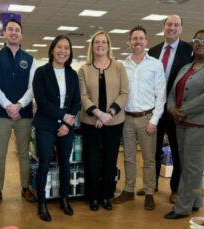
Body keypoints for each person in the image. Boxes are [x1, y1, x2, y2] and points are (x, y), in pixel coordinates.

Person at [164, 29, 204, 219]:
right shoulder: (186, 67)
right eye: (197, 40)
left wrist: (183, 110)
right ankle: (196, 201)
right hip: (182, 123)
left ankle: (182, 208)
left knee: (191, 167)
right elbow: (172, 93)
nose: (200, 43)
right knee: (191, 165)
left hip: (201, 124)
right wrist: (172, 108)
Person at [136, 15, 193, 204]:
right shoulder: (153, 50)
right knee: (151, 150)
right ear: (163, 27)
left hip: (177, 110)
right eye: (169, 24)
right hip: (155, 109)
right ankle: (151, 186)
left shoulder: (189, 50)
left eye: (177, 25)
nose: (172, 28)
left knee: (177, 151)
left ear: (181, 29)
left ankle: (175, 189)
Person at [113, 26, 166, 211]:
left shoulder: (155, 64)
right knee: (128, 157)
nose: (137, 42)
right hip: (126, 117)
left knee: (149, 159)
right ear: (129, 42)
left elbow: (161, 95)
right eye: (134, 38)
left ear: (146, 41)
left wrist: (154, 120)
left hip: (147, 118)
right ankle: (128, 189)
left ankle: (149, 192)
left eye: (141, 38)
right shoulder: (121, 65)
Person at [0, 19, 37, 207]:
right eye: (10, 29)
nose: (14, 32)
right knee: (0, 154)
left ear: (21, 35)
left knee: (24, 154)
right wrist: (9, 105)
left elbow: (32, 87)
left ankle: (25, 188)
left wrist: (19, 105)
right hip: (1, 114)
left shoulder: (30, 59)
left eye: (17, 30)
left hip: (24, 115)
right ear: (4, 33)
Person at [78, 30, 128, 212]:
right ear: (92, 46)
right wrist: (99, 114)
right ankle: (92, 197)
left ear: (108, 45)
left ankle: (106, 195)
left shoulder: (119, 67)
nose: (100, 45)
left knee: (109, 160)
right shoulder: (84, 69)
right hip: (91, 122)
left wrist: (110, 113)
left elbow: (124, 93)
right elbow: (83, 96)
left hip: (114, 122)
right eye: (96, 42)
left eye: (103, 42)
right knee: (91, 161)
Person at [32, 35, 81, 222]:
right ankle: (42, 203)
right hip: (45, 125)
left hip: (66, 128)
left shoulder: (72, 74)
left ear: (70, 52)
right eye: (59, 47)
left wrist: (67, 123)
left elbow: (76, 102)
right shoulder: (41, 72)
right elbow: (42, 102)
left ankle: (64, 199)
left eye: (66, 48)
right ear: (52, 50)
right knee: (44, 164)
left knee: (66, 165)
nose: (63, 51)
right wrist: (63, 116)